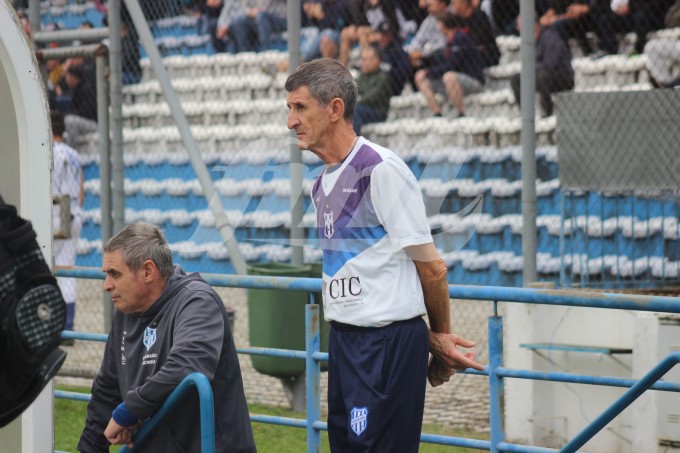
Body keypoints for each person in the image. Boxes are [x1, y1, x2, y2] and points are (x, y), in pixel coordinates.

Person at [285, 58, 484, 452]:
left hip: (384, 347)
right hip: (344, 340)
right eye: (290, 109)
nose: (291, 121)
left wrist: (439, 337)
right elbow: (376, 274)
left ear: (335, 108)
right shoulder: (321, 184)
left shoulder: (380, 170)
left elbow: (431, 268)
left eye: (300, 107)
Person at [77, 223, 256, 452]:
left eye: (115, 274)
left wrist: (129, 411)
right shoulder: (125, 310)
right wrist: (89, 449)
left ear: (148, 271)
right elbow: (107, 389)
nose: (106, 286)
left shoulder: (197, 301)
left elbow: (188, 365)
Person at [414, 11, 485, 118]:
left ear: (444, 24)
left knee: (449, 77)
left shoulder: (460, 38)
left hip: (473, 81)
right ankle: (437, 114)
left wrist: (427, 72)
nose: (437, 27)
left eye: (438, 24)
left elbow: (451, 66)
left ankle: (461, 113)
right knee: (421, 79)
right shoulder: (449, 41)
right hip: (455, 83)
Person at [51, 110, 84, 339]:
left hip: (55, 211)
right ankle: (68, 325)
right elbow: (81, 191)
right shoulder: (73, 154)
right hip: (74, 212)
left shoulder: (49, 151)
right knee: (67, 268)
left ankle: (52, 321)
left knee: (47, 265)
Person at [510, 16, 574, 117]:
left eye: (521, 27)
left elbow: (549, 64)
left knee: (542, 75)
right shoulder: (530, 43)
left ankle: (548, 111)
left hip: (562, 77)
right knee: (516, 79)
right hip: (540, 75)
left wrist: (532, 68)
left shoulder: (551, 37)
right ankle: (525, 114)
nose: (519, 30)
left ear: (534, 26)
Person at [353, 46, 392, 133]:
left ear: (377, 61)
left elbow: (372, 97)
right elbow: (354, 88)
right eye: (362, 59)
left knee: (355, 110)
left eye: (365, 60)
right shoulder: (362, 75)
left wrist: (354, 102)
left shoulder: (383, 77)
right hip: (362, 107)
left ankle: (354, 143)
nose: (362, 63)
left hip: (377, 113)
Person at [451, 0, 501, 67]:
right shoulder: (457, 19)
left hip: (487, 54)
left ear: (463, 3)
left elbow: (480, 43)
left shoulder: (479, 15)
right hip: (466, 53)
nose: (452, 7)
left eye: (454, 3)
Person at [62, 66, 98, 148]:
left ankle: (70, 150)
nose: (66, 81)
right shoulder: (76, 90)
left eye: (67, 77)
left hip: (93, 124)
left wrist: (73, 113)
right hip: (82, 123)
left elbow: (87, 112)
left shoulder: (86, 89)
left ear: (73, 77)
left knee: (70, 120)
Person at [375, 21, 412, 95]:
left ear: (391, 35)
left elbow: (405, 69)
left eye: (386, 35)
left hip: (393, 86)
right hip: (379, 83)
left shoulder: (397, 50)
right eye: (382, 35)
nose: (383, 38)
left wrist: (390, 72)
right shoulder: (377, 48)